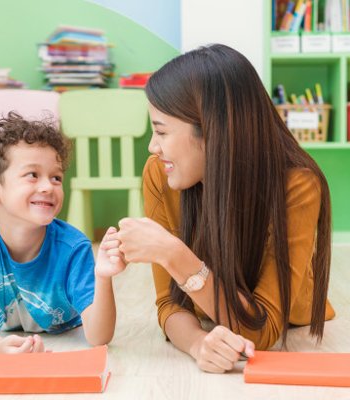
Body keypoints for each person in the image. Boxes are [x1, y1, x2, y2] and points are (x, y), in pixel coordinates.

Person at [103, 44, 335, 373]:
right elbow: (169, 304)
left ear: (213, 132)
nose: (154, 147)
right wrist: (198, 343)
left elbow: (264, 328)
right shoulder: (159, 173)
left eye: (161, 131)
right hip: (209, 315)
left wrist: (172, 253)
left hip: (290, 326)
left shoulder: (296, 186)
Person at [0, 112, 126, 354]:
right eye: (33, 175)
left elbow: (99, 337)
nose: (47, 187)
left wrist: (103, 277)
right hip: (3, 335)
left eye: (56, 177)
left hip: (64, 337)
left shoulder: (74, 247)